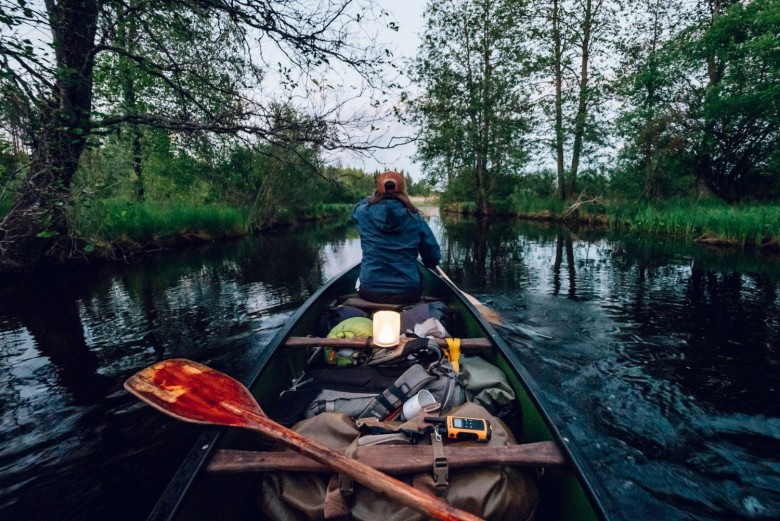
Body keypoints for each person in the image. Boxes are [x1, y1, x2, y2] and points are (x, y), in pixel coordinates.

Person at [352, 171, 441, 304]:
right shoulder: (415, 217)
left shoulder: (362, 213)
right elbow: (432, 259)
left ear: (378, 189)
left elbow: (357, 207)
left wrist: (372, 197)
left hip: (370, 290)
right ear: (402, 190)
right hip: (407, 292)